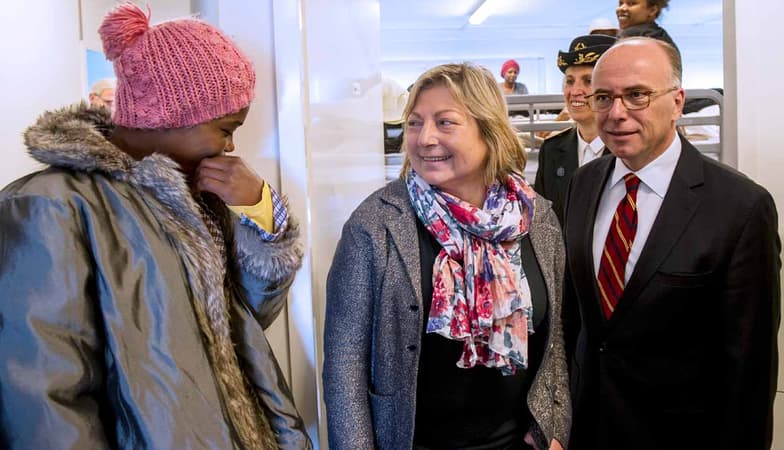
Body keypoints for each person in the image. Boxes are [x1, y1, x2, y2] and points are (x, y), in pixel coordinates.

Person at [0, 4, 311, 449]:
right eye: (225, 127)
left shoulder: (195, 199)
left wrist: (260, 210)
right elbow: (43, 402)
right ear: (171, 115)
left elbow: (246, 321)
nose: (231, 145)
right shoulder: (45, 206)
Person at [323, 62, 570, 450]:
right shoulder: (375, 225)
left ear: (489, 131)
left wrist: (554, 429)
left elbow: (555, 340)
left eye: (445, 122)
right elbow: (344, 365)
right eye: (415, 123)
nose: (425, 138)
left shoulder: (536, 217)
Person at [564, 37, 780, 450]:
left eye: (637, 95)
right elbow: (578, 322)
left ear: (677, 102)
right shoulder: (583, 184)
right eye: (604, 97)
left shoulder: (740, 207)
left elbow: (749, 368)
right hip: (589, 428)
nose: (616, 113)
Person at [535, 34, 617, 224]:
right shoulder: (551, 151)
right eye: (570, 81)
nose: (575, 91)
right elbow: (542, 223)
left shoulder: (629, 150)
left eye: (588, 80)